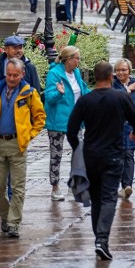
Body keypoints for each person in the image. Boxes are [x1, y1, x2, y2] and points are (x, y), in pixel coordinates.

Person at [66, 61, 135, 261]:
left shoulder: (85, 100)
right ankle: (102, 239)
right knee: (109, 197)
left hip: (91, 156)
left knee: (97, 200)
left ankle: (99, 239)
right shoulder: (120, 97)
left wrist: (78, 148)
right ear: (111, 76)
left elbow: (71, 130)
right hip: (114, 154)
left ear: (94, 77)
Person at [0, 58, 46, 238]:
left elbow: (40, 117)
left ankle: (13, 223)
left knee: (18, 187)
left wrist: (28, 135)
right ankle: (5, 215)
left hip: (18, 144)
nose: (11, 78)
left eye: (15, 75)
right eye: (9, 74)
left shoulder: (29, 93)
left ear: (22, 74)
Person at [43, 45, 89, 201]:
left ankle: (75, 183)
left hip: (76, 121)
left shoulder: (76, 72)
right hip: (58, 122)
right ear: (68, 59)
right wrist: (59, 93)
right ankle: (55, 187)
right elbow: (49, 97)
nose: (79, 61)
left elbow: (84, 89)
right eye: (77, 58)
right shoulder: (54, 74)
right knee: (56, 155)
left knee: (79, 154)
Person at [112, 58, 135, 198]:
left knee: (128, 154)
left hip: (132, 127)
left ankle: (127, 185)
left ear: (129, 70)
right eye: (118, 70)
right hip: (117, 127)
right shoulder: (113, 85)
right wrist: (128, 89)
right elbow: (114, 99)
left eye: (124, 70)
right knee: (119, 155)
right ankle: (120, 183)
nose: (121, 73)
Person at [0, 35, 43, 101]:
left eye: (20, 48)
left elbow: (36, 93)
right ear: (5, 49)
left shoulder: (29, 67)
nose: (18, 51)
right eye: (15, 48)